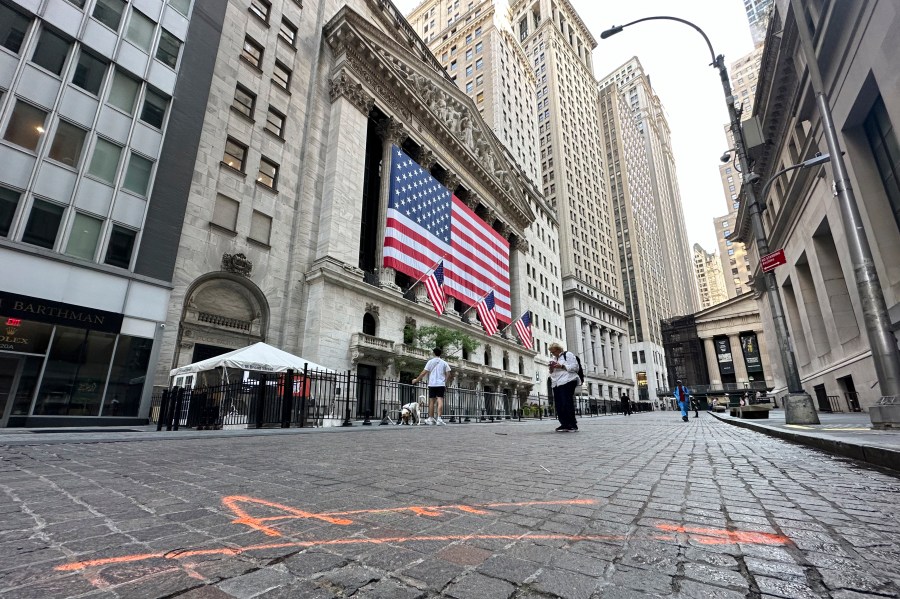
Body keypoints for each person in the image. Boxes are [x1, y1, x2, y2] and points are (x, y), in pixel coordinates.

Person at [412, 348, 453, 425]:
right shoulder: (444, 363)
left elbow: (423, 373)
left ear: (434, 353)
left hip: (432, 384)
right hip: (441, 384)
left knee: (431, 401)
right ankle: (439, 419)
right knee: (440, 400)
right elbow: (448, 374)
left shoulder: (430, 362)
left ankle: (430, 418)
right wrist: (445, 381)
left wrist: (416, 380)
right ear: (440, 354)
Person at [548, 342, 579, 432]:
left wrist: (562, 366)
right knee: (559, 404)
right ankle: (564, 424)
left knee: (566, 402)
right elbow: (553, 373)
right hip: (556, 383)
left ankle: (572, 424)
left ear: (558, 350)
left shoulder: (568, 355)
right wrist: (551, 369)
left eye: (553, 352)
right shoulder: (554, 358)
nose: (552, 354)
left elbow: (575, 367)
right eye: (552, 353)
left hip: (567, 380)